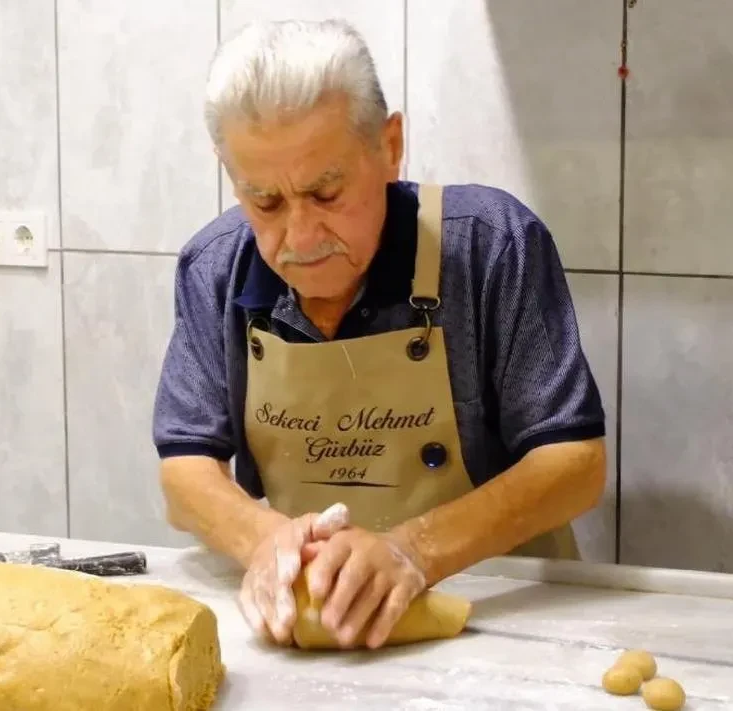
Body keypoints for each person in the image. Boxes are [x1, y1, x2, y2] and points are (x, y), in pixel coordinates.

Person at [151, 18, 608, 651]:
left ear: (390, 146)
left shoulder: (492, 244)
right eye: (265, 202)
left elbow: (575, 464)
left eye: (326, 192)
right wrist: (265, 541)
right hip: (308, 619)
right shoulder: (214, 269)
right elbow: (184, 472)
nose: (300, 237)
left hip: (492, 611)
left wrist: (413, 550)